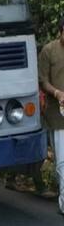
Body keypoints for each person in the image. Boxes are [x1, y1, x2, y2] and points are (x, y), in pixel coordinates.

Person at [39, 16, 64, 215]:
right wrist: (56, 93)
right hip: (57, 115)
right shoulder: (49, 51)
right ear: (60, 31)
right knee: (62, 162)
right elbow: (43, 80)